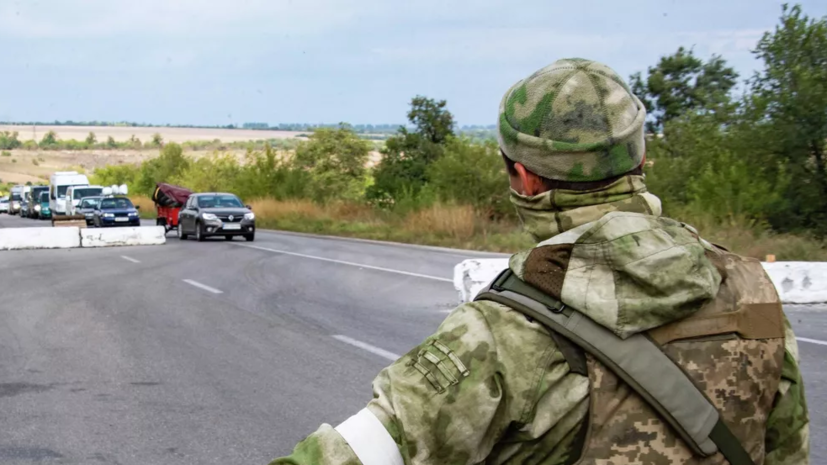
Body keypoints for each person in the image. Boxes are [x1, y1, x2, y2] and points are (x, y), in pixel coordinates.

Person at [269, 59, 809, 465]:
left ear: (524, 178)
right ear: (640, 159)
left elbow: (356, 454)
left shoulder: (500, 332)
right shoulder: (752, 290)